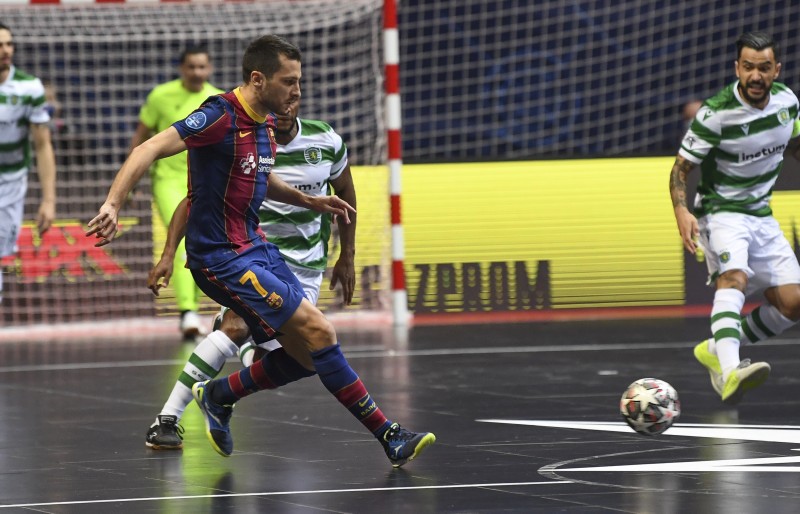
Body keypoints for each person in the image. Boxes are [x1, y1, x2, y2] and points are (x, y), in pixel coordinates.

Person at [88, 35, 435, 467]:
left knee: (309, 356)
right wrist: (113, 204)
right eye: (289, 82)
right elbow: (148, 148)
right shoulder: (218, 116)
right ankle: (389, 434)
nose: (298, 92)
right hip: (221, 259)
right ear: (258, 78)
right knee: (318, 333)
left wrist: (310, 200)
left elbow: (260, 176)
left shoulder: (266, 122)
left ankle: (219, 394)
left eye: (299, 82)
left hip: (257, 248)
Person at [144, 97, 357, 451]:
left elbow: (347, 194)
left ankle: (222, 390)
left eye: (295, 91)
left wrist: (347, 255)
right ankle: (167, 419)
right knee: (236, 327)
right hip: (251, 257)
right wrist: (168, 253)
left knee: (286, 358)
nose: (287, 105)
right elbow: (194, 199)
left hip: (305, 269)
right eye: (283, 93)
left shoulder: (326, 141)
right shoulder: (246, 141)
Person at [669, 31, 800, 405]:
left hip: (761, 214)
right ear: (736, 69)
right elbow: (680, 169)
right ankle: (729, 371)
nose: (755, 75)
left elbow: (795, 144)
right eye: (747, 67)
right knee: (734, 278)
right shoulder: (716, 113)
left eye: (763, 67)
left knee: (793, 303)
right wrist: (682, 209)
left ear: (776, 69)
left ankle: (716, 347)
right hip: (720, 212)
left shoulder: (788, 102)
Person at [129, 47, 223, 340]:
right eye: (191, 67)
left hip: (205, 183)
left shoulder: (220, 99)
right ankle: (188, 313)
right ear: (182, 68)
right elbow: (142, 137)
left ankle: (208, 308)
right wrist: (130, 179)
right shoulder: (160, 96)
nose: (197, 72)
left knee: (208, 243)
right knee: (182, 241)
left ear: (209, 69)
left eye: (202, 67)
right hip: (168, 181)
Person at [0, 23, 56, 302]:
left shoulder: (29, 87)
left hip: (10, 182)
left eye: (9, 44)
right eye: (0, 45)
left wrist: (49, 200)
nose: (5, 51)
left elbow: (43, 144)